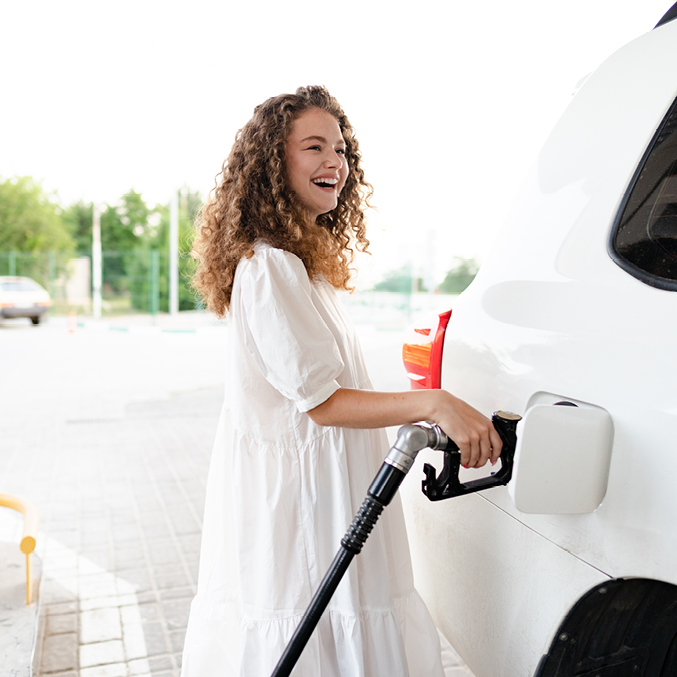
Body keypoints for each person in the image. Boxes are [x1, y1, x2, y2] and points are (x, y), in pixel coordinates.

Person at [181, 85, 502, 677]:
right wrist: (435, 402)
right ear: (273, 162)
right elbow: (322, 402)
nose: (335, 161)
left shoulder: (301, 266)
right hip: (306, 502)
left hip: (328, 486)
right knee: (316, 633)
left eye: (341, 148)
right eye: (313, 147)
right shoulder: (270, 266)